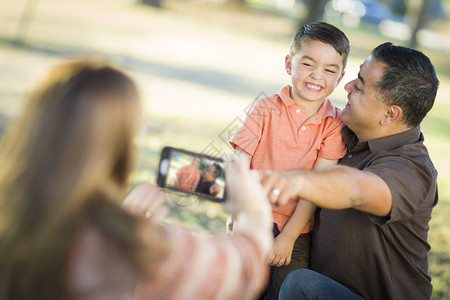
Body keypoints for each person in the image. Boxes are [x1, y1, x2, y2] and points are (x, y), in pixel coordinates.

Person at [0, 58, 274, 300]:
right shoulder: (138, 249)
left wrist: (118, 219)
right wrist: (251, 210)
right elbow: (242, 271)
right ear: (119, 145)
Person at [260, 42, 439, 300]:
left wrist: (299, 182)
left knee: (300, 283)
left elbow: (358, 189)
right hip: (323, 286)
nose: (347, 87)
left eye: (360, 87)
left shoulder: (412, 168)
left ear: (390, 114)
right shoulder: (341, 133)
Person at [228, 22, 349, 299]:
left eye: (330, 70)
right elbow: (239, 163)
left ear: (340, 77)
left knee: (286, 289)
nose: (317, 76)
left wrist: (289, 237)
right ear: (288, 63)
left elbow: (315, 188)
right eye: (308, 64)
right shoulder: (264, 108)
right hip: (253, 217)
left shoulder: (334, 124)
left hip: (295, 230)